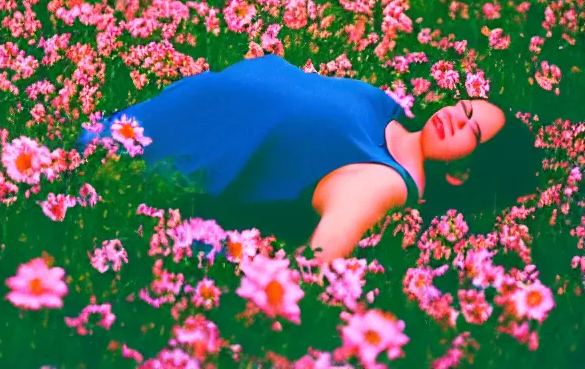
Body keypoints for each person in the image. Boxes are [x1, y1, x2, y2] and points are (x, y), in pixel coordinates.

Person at [78, 54, 544, 263]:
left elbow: (324, 255)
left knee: (84, 171)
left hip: (176, 159)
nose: (455, 118)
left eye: (472, 131)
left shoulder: (387, 183)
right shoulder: (396, 116)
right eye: (464, 109)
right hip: (184, 114)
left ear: (464, 173)